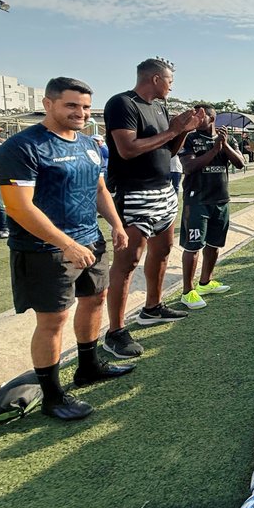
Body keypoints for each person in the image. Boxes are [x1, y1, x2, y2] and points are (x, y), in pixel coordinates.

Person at [0, 77, 133, 421]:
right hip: (45, 249)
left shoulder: (89, 143)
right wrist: (66, 244)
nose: (81, 113)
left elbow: (99, 187)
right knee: (53, 320)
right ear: (48, 104)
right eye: (72, 105)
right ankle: (53, 396)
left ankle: (88, 367)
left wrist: (115, 224)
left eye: (85, 106)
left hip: (91, 240)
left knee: (96, 299)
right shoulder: (22, 147)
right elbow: (19, 207)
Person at [103, 58, 203, 359]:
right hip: (134, 191)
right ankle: (115, 332)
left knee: (162, 250)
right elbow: (128, 149)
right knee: (128, 260)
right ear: (156, 79)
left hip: (164, 190)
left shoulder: (160, 108)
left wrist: (183, 130)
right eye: (170, 80)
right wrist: (174, 130)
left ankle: (152, 307)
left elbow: (167, 150)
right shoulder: (122, 104)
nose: (172, 86)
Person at [176, 105, 245, 310]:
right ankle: (187, 292)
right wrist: (214, 150)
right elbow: (189, 167)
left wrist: (223, 146)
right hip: (197, 200)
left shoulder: (228, 139)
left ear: (212, 118)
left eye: (200, 115)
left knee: (214, 244)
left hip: (221, 199)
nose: (196, 118)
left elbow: (240, 163)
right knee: (193, 246)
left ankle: (205, 282)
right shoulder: (188, 138)